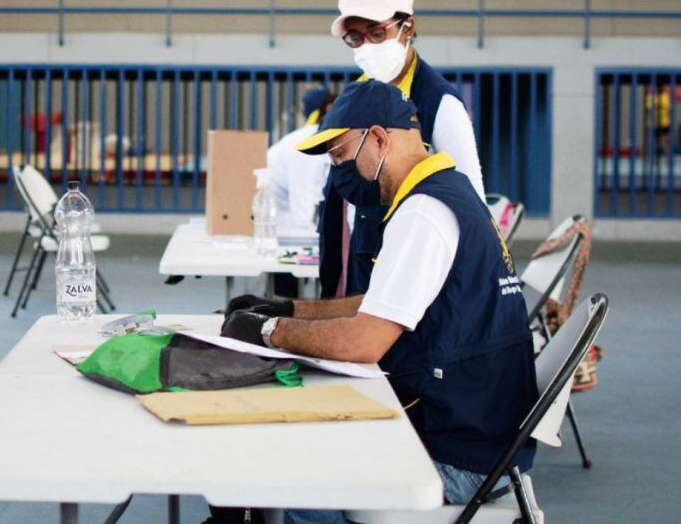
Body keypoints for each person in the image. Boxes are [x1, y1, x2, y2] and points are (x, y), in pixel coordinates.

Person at [221, 81, 537, 523]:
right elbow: (382, 300)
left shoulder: (424, 212)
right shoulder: (451, 191)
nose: (338, 172)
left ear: (380, 138)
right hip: (482, 433)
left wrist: (268, 333)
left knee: (295, 467)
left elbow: (362, 343)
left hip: (459, 457)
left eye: (339, 155)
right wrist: (286, 309)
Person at [318, 0, 485, 300]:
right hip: (361, 247)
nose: (366, 46)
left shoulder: (440, 104)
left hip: (411, 261)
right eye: (355, 38)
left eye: (377, 33)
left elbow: (472, 202)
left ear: (407, 27)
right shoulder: (360, 93)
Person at [267, 86, 335, 231]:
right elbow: (301, 215)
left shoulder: (318, 139)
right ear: (329, 108)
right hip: (274, 224)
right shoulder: (305, 147)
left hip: (282, 219)